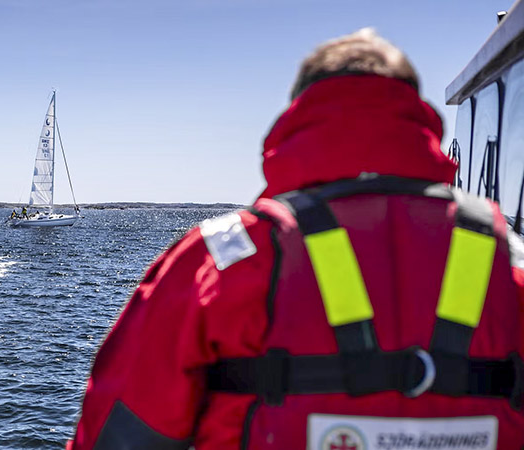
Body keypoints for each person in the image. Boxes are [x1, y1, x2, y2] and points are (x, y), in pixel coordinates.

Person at [67, 28, 524, 449]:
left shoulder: (224, 256)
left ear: (299, 112)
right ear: (417, 116)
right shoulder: (509, 258)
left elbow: (117, 433)